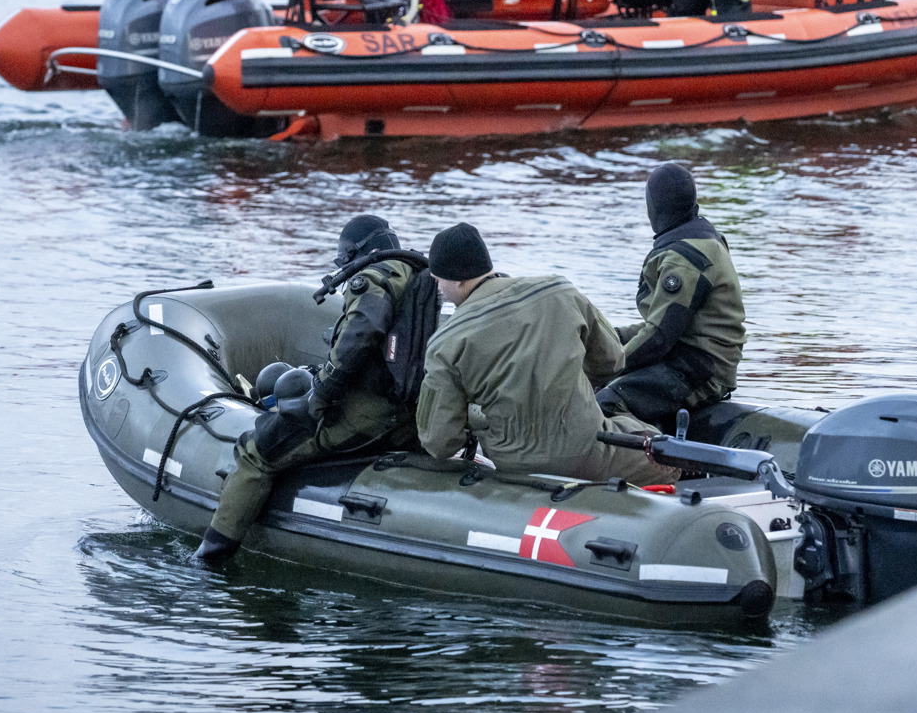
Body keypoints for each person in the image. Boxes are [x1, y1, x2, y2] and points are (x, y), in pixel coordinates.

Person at [194, 215, 430, 564]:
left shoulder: (372, 279)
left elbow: (361, 331)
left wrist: (320, 395)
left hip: (367, 416)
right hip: (410, 419)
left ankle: (211, 558)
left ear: (356, 252)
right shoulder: (420, 280)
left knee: (255, 451)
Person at [416, 223, 677, 486]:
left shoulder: (444, 342)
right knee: (665, 455)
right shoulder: (559, 290)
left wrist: (476, 418)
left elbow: (439, 442)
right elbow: (612, 361)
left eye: (438, 280)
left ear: (457, 278)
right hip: (589, 453)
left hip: (514, 466)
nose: (439, 289)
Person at [597, 164, 746, 429]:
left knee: (606, 401)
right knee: (606, 369)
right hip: (690, 357)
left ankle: (644, 465)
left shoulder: (684, 260)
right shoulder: (700, 240)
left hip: (700, 370)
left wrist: (609, 364)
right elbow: (670, 327)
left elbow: (658, 339)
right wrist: (610, 336)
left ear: (653, 208)